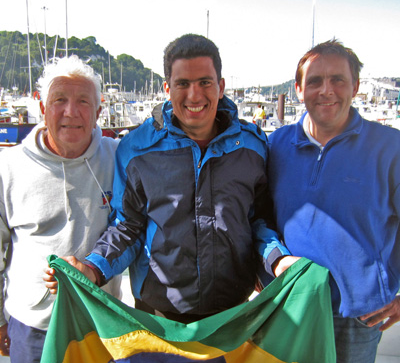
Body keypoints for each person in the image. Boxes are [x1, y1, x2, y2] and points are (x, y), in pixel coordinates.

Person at [44, 34, 295, 323]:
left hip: (234, 315)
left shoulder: (252, 146)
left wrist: (279, 261)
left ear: (221, 86)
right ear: (167, 88)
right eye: (183, 84)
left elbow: (258, 221)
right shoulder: (136, 149)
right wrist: (92, 268)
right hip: (157, 318)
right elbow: (128, 227)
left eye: (205, 82)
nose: (194, 95)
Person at [267, 39, 400, 363]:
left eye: (338, 80)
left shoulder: (390, 148)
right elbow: (259, 219)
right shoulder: (275, 146)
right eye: (314, 81)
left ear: (354, 86)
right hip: (290, 304)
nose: (326, 90)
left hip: (359, 315)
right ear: (298, 89)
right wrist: (272, 260)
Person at [0, 55, 122, 362]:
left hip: (101, 325)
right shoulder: (8, 168)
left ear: (99, 110)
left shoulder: (119, 159)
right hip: (31, 328)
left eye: (83, 101)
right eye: (59, 100)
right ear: (42, 107)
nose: (71, 111)